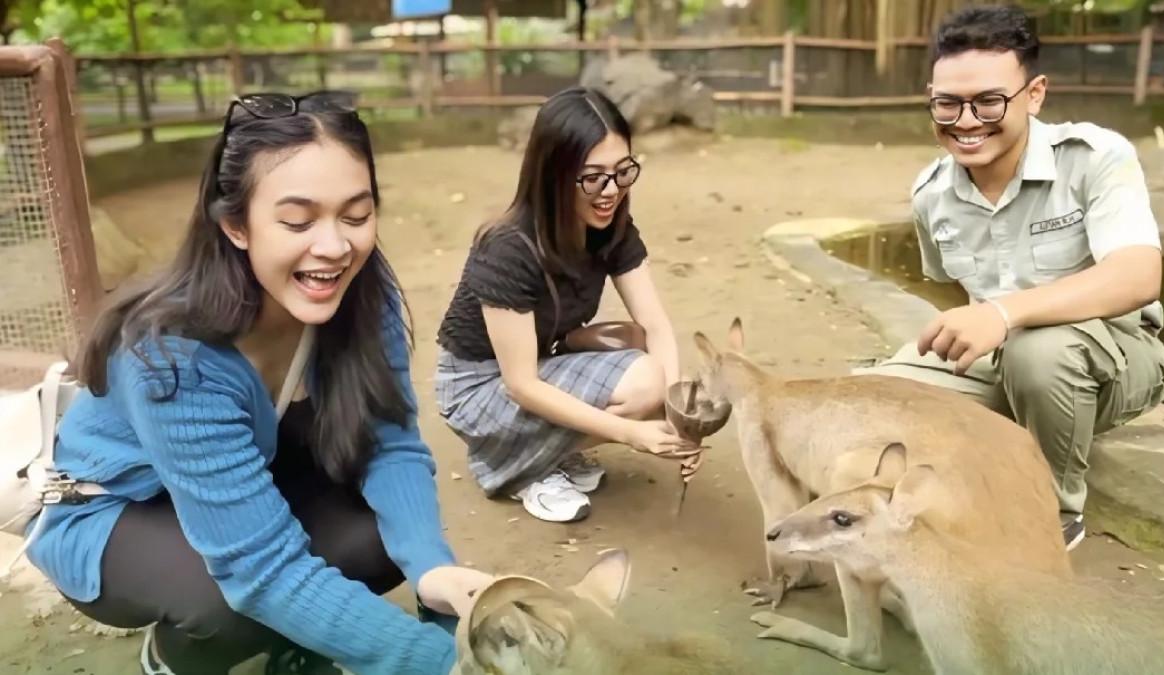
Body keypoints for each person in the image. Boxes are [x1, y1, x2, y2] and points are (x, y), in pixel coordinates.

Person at [24, 91, 491, 675]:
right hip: (117, 510)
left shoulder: (364, 294)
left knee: (378, 539)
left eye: (356, 214)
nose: (335, 247)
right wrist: (442, 664)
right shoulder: (173, 358)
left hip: (242, 475)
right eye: (297, 220)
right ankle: (175, 657)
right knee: (230, 601)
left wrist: (431, 571)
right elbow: (263, 570)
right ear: (236, 226)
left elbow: (391, 444)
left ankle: (307, 638)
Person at [858, 6, 1164, 551]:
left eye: (988, 101)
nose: (967, 120)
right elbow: (954, 291)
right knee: (869, 399)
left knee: (1039, 354)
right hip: (1002, 361)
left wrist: (1002, 314)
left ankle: (1050, 512)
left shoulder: (1095, 158)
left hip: (1112, 361)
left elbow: (1139, 275)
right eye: (948, 103)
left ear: (1035, 94)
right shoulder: (932, 192)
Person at [435, 87, 699, 524]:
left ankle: (538, 452)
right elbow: (520, 384)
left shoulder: (610, 227)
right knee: (645, 380)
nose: (610, 191)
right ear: (553, 174)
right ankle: (514, 466)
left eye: (623, 171)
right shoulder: (507, 248)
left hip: (539, 360)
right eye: (592, 177)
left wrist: (679, 420)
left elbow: (655, 324)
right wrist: (631, 434)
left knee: (665, 379)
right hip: (478, 387)